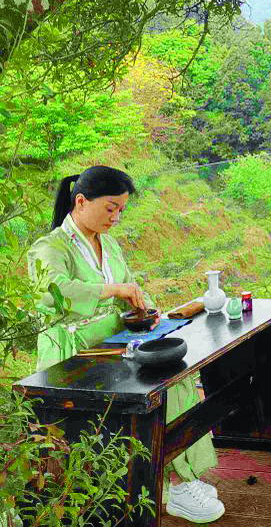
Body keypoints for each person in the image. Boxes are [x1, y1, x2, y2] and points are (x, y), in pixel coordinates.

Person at [28, 166, 225, 523]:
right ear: (81, 201)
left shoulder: (109, 244)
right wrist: (114, 290)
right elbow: (51, 293)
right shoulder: (50, 247)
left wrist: (147, 310)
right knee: (153, 391)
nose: (116, 217)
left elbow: (131, 288)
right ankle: (174, 483)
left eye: (121, 210)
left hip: (115, 344)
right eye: (110, 208)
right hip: (73, 353)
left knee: (176, 382)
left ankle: (179, 482)